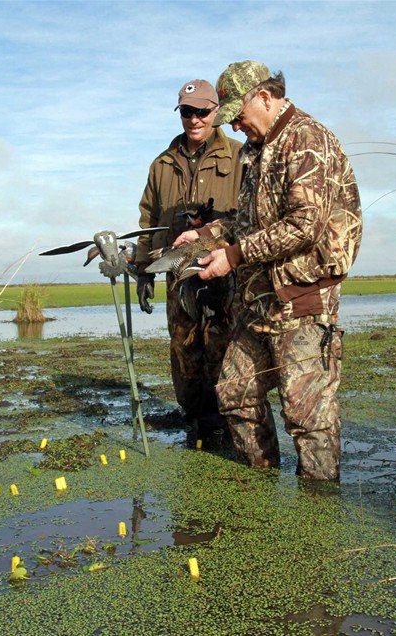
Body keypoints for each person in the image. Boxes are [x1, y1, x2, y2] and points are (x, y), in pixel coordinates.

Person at [174, 61, 362, 480]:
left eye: (238, 116)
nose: (236, 127)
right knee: (236, 392)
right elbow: (248, 222)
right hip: (258, 302)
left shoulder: (307, 140)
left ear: (264, 96)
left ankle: (319, 510)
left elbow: (303, 225)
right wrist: (208, 234)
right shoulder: (258, 151)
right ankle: (260, 487)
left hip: (303, 298)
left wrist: (233, 257)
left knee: (307, 415)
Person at [134, 79, 242, 443]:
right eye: (186, 111)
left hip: (223, 271)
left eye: (202, 111)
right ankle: (195, 418)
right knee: (183, 346)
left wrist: (218, 242)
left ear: (217, 112)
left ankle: (227, 421)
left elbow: (249, 218)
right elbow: (149, 221)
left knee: (222, 344)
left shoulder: (241, 156)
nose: (194, 119)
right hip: (177, 273)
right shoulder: (161, 164)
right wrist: (142, 272)